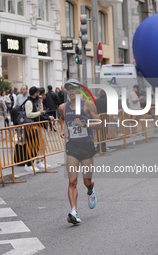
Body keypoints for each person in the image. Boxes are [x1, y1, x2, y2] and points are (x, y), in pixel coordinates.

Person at [58, 79, 100, 224]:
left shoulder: (88, 105)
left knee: (86, 181)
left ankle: (90, 190)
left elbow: (99, 123)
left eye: (73, 88)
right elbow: (62, 119)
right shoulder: (63, 107)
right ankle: (74, 211)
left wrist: (84, 124)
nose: (70, 91)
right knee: (72, 181)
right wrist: (63, 129)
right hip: (73, 147)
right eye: (68, 89)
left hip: (87, 146)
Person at [24, 86, 47, 172]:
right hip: (30, 127)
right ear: (34, 94)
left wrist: (40, 102)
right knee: (32, 146)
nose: (39, 95)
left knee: (35, 145)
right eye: (37, 93)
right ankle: (28, 164)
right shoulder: (29, 102)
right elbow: (29, 114)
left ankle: (33, 162)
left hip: (34, 127)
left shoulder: (33, 101)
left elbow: (38, 110)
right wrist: (39, 113)